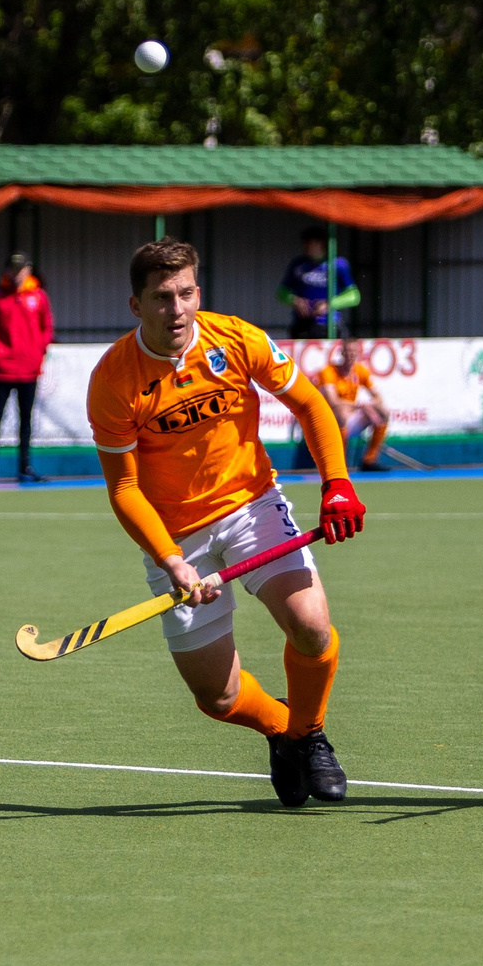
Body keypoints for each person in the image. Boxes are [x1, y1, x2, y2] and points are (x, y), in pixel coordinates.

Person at [86, 239, 367, 806]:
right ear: (136, 305)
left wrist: (337, 483)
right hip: (177, 536)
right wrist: (171, 561)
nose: (178, 309)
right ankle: (279, 729)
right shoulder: (114, 378)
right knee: (218, 697)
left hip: (253, 507)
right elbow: (124, 487)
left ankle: (309, 736)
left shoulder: (235, 338)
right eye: (162, 298)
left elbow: (312, 406)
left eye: (187, 293)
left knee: (312, 626)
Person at [0, 252, 54, 482]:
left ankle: (25, 467)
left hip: (28, 370)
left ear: (28, 271)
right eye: (13, 269)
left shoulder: (38, 297)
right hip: (2, 370)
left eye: (21, 270)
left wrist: (38, 351)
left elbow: (46, 328)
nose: (17, 274)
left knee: (26, 420)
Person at [313, 339, 392, 473]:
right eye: (347, 351)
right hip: (330, 421)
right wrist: (359, 406)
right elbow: (333, 401)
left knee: (383, 412)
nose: (350, 355)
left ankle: (370, 460)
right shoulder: (328, 372)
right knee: (341, 411)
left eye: (353, 352)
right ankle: (339, 462)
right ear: (341, 353)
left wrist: (368, 406)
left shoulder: (360, 371)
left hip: (351, 419)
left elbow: (378, 398)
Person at [276, 230, 358, 340]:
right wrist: (295, 300)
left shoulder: (337, 264)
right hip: (302, 324)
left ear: (322, 243)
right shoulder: (298, 264)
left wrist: (330, 304)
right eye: (305, 243)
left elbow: (354, 296)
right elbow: (282, 292)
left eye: (312, 243)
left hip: (328, 324)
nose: (307, 247)